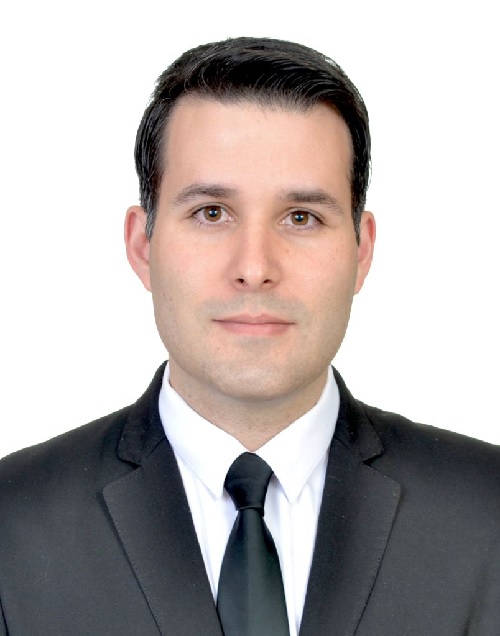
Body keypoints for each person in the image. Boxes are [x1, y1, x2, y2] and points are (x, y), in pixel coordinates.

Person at [0, 37, 498, 636]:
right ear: (142, 245)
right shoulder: (12, 523)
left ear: (361, 250)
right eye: (211, 212)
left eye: (301, 217)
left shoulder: (488, 511)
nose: (255, 266)